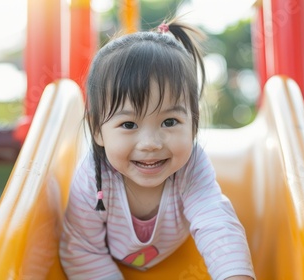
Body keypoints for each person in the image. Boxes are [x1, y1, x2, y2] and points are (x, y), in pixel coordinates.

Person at [59, 19, 255, 280]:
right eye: (128, 124)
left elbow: (215, 223)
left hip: (182, 261)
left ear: (193, 123)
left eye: (170, 122)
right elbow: (83, 248)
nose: (150, 143)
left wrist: (234, 275)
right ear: (97, 130)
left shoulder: (190, 167)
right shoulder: (93, 179)